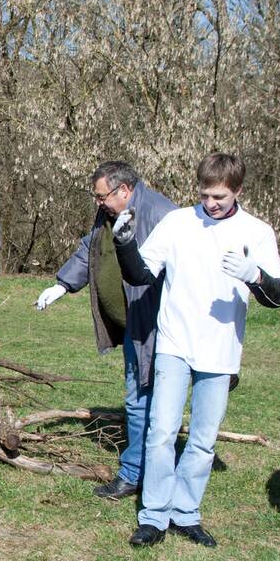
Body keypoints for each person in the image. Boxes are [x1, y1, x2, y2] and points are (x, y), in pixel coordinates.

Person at [112, 153, 280, 547]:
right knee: (161, 432)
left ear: (238, 191)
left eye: (220, 197)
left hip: (221, 352)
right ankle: (154, 517)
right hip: (175, 344)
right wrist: (124, 245)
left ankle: (185, 512)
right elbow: (140, 273)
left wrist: (256, 276)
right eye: (206, 194)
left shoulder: (257, 232)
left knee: (204, 439)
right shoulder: (178, 223)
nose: (211, 204)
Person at [36, 162, 177, 500]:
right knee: (141, 397)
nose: (97, 202)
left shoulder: (161, 215)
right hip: (132, 324)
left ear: (124, 191)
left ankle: (136, 475)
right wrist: (62, 285)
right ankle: (144, 470)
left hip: (156, 325)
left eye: (101, 196)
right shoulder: (110, 214)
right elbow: (90, 249)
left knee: (143, 398)